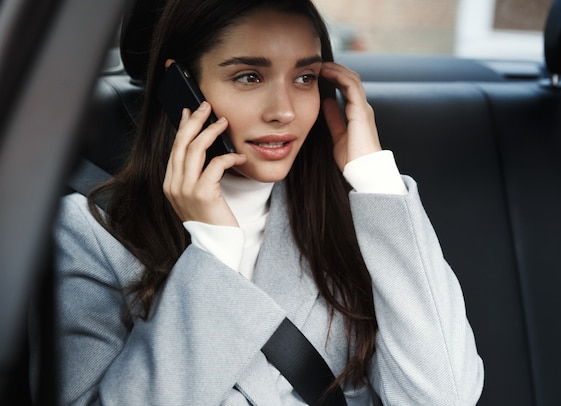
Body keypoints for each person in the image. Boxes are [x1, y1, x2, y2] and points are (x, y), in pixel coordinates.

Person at [42, 0, 484, 404]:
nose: (284, 110)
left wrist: (375, 180)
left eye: (305, 77)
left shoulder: (354, 216)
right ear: (180, 87)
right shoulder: (88, 235)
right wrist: (213, 252)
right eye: (249, 76)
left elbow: (442, 396)